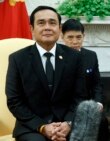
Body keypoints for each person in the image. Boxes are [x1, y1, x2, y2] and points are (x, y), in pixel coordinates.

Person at [5, 6, 86, 141]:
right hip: (31, 126)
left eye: (52, 23)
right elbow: (14, 100)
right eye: (41, 23)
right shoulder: (18, 59)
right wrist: (42, 127)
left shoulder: (75, 58)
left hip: (67, 125)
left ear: (59, 29)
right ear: (32, 29)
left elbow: (80, 96)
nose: (47, 27)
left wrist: (68, 123)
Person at [61, 19, 109, 141]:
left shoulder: (91, 55)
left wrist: (98, 102)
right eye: (70, 37)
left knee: (102, 120)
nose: (75, 42)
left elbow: (97, 84)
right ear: (62, 37)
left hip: (87, 105)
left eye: (78, 37)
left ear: (84, 36)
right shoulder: (57, 56)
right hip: (64, 107)